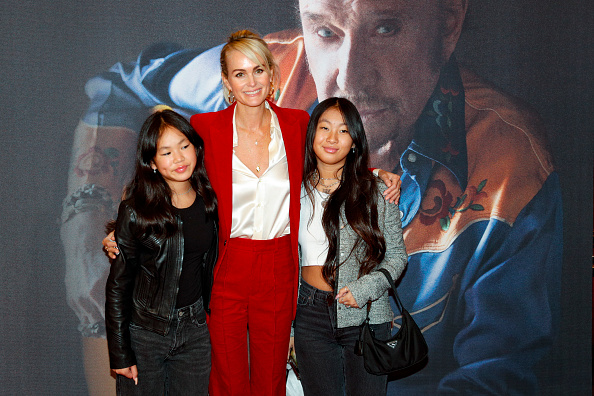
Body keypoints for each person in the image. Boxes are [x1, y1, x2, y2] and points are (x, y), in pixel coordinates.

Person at [65, 0, 562, 393]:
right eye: (326, 32)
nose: (349, 77)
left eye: (386, 28)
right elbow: (118, 88)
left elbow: (497, 378)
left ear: (448, 24)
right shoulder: (268, 77)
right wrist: (85, 219)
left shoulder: (512, 168)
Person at [294, 97, 408, 396]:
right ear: (312, 135)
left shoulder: (378, 190)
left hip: (366, 314)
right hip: (308, 314)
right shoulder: (294, 191)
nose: (332, 138)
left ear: (355, 141)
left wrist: (363, 290)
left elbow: (397, 257)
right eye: (324, 127)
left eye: (344, 131)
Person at [105, 109, 217, 395]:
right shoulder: (135, 210)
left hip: (194, 332)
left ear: (196, 147)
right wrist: (120, 352)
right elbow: (118, 286)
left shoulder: (211, 200)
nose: (179, 158)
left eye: (184, 146)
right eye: (166, 152)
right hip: (145, 333)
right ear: (152, 162)